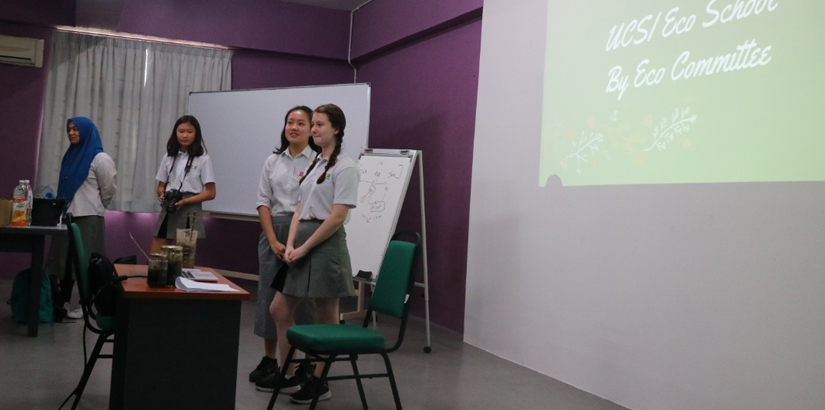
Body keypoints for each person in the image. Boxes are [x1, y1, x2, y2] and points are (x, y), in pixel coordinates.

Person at [269, 103, 359, 404]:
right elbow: (298, 208)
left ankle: (320, 380)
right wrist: (292, 243)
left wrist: (306, 247)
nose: (314, 130)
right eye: (314, 124)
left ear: (336, 129)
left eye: (320, 125)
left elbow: (336, 217)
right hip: (303, 244)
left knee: (325, 317)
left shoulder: (345, 166)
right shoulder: (316, 164)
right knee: (279, 310)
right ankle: (293, 371)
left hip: (325, 245)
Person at [251, 106, 319, 391]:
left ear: (311, 129)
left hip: (305, 232)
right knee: (269, 296)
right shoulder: (272, 161)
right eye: (290, 122)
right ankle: (270, 360)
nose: (294, 127)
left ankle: (307, 363)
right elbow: (263, 202)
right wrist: (274, 240)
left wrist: (293, 242)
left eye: (301, 123)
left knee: (306, 300)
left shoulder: (319, 161)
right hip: (273, 233)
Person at [49, 117, 117, 319]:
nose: (71, 133)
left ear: (87, 132)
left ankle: (86, 305)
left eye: (76, 129)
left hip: (88, 217)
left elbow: (109, 189)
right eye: (69, 129)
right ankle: (62, 300)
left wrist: (97, 206)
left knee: (87, 262)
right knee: (64, 262)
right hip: (66, 216)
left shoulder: (100, 158)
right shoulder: (69, 156)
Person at [150, 115, 216, 254]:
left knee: (184, 258)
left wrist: (185, 201)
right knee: (156, 256)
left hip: (190, 207)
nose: (184, 135)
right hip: (170, 205)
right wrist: (162, 194)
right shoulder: (169, 156)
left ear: (196, 134)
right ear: (175, 133)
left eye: (189, 132)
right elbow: (160, 185)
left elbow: (211, 193)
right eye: (181, 131)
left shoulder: (203, 158)